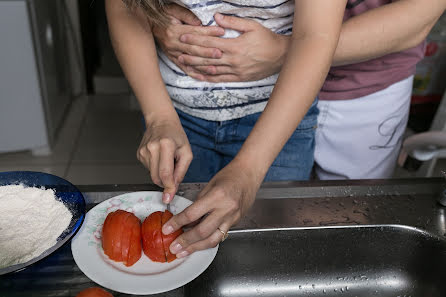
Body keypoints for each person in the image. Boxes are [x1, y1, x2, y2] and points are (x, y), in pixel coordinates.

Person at [105, 0, 347, 257]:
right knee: (186, 253)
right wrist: (158, 116)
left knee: (269, 254)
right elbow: (123, 5)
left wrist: (250, 169)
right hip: (176, 118)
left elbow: (315, 36)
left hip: (278, 125)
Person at [153, 0, 446, 179]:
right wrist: (158, 15)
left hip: (366, 89)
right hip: (251, 86)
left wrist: (285, 51)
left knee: (344, 220)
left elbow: (421, 14)